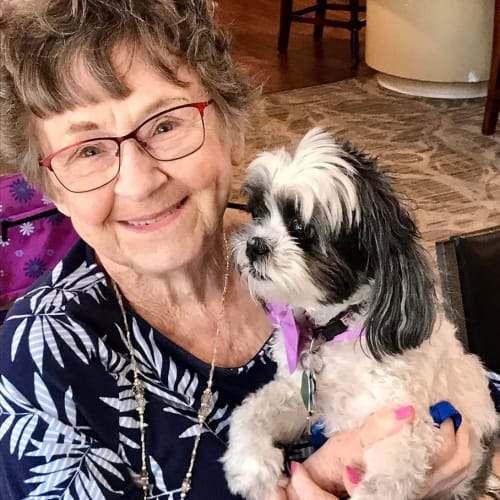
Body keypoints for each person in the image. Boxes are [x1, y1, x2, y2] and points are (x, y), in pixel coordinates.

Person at [0, 1, 491, 498]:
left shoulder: (347, 262)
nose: (139, 182)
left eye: (166, 124)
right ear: (51, 188)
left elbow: (463, 389)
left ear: (232, 127)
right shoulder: (42, 356)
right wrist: (320, 482)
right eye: (88, 150)